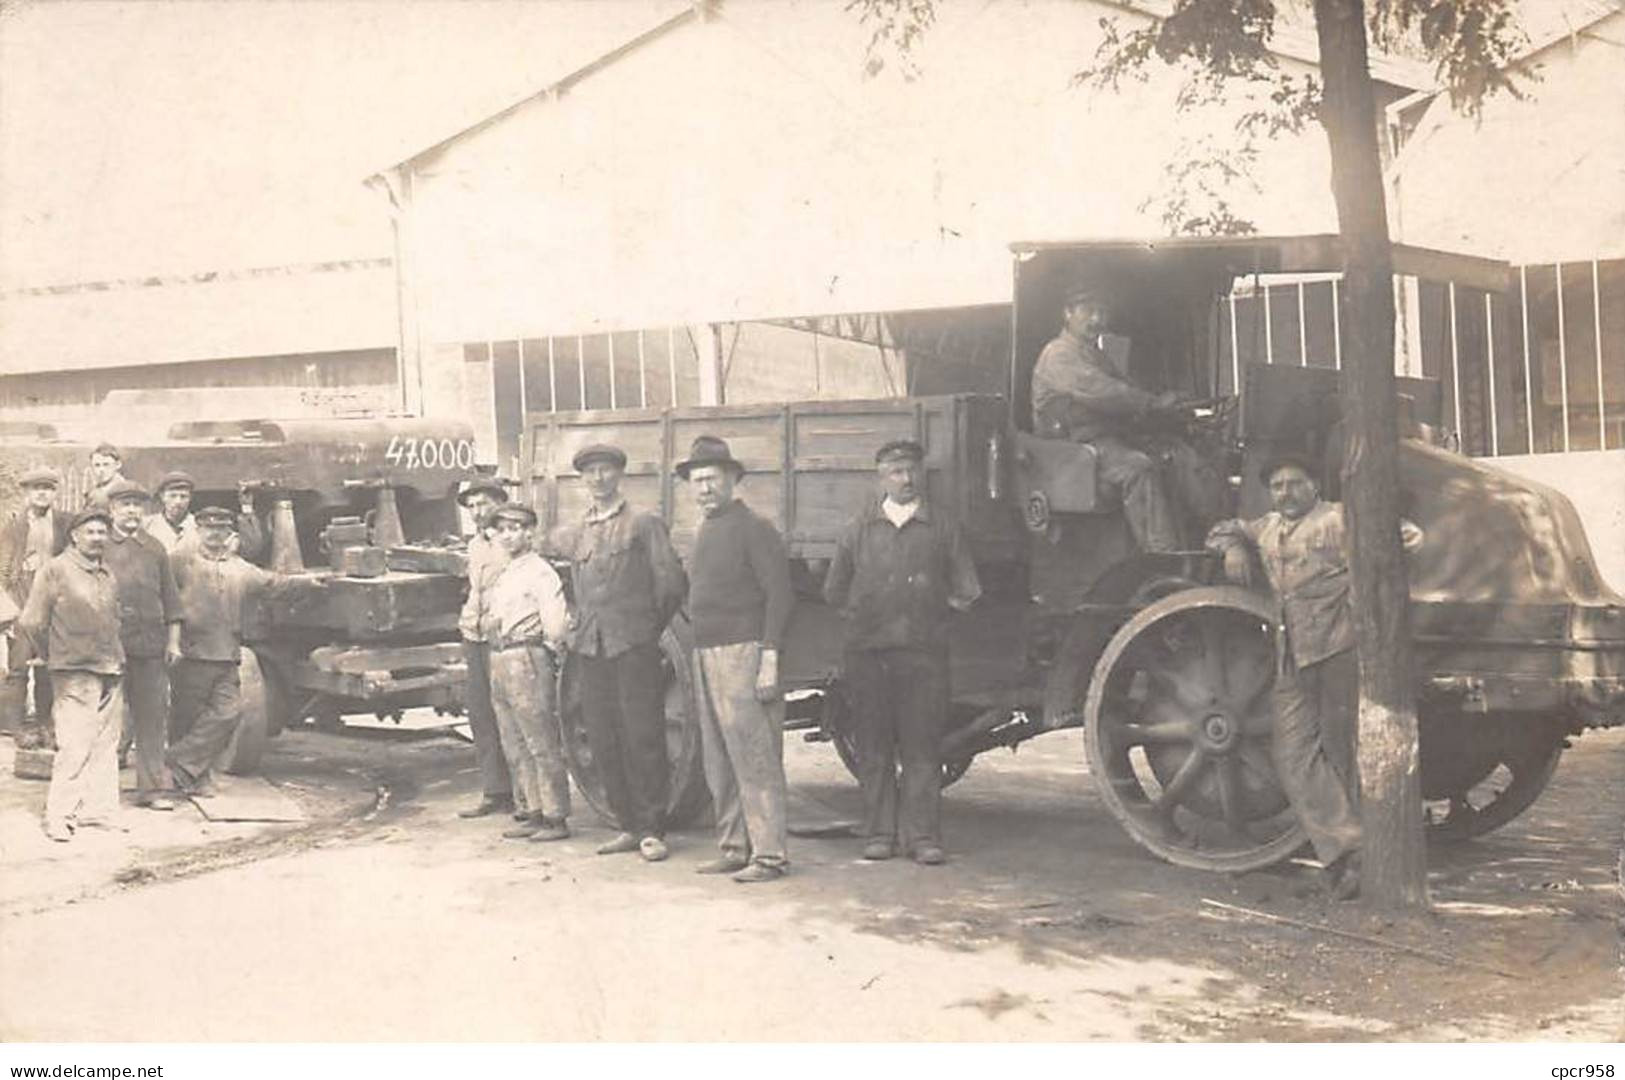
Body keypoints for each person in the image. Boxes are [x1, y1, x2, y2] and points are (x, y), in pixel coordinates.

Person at [1205, 454, 1424, 900]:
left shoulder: (1339, 520)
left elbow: (1407, 535)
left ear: (1314, 486)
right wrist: (1232, 547)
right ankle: (1344, 844)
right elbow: (1225, 528)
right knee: (1293, 753)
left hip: (1340, 650)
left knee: (1343, 751)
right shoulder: (1266, 528)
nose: (1286, 492)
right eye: (1278, 485)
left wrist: (1384, 563)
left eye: (1295, 483)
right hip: (1292, 656)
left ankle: (1355, 863)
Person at [822, 439, 980, 865]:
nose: (905, 479)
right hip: (869, 655)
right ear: (881, 478)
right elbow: (835, 590)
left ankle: (923, 838)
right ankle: (879, 834)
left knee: (922, 748)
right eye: (895, 471)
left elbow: (967, 590)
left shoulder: (942, 526)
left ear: (920, 474)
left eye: (911, 470)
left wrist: (929, 619)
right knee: (873, 747)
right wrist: (867, 621)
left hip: (923, 656)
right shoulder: (859, 528)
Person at [677, 436, 794, 884]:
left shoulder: (753, 528)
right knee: (718, 758)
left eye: (712, 479)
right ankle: (732, 846)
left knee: (754, 756)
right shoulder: (705, 531)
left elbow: (780, 596)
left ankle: (769, 855)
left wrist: (769, 657)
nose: (704, 488)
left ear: (731, 481)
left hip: (743, 653)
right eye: (697, 481)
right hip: (705, 655)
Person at [562, 443, 687, 861]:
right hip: (591, 648)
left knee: (642, 734)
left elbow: (669, 582)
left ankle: (652, 828)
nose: (598, 479)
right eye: (590, 473)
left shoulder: (643, 523)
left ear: (620, 475)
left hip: (633, 645)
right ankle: (626, 824)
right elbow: (576, 588)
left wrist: (646, 629)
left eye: (605, 470)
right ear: (582, 480)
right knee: (602, 737)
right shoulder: (581, 530)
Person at [1029, 285, 1215, 552]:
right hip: (1073, 449)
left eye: (1102, 312)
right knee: (1138, 469)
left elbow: (1125, 386)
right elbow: (1103, 391)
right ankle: (1163, 555)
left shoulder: (1095, 355)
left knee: (1178, 455)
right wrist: (1152, 403)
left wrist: (1171, 402)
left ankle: (1212, 538)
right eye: (1088, 310)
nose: (1097, 319)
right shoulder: (1058, 353)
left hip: (1104, 442)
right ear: (1067, 313)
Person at [17, 506, 126, 842]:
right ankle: (59, 815)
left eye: (101, 532)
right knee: (75, 744)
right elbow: (32, 622)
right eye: (90, 532)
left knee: (106, 744)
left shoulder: (106, 572)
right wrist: (55, 655)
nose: (97, 538)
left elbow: (114, 619)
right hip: (74, 670)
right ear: (75, 536)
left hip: (110, 667)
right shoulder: (56, 569)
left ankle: (99, 811)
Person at [165, 506, 283, 796]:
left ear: (229, 534)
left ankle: (175, 760)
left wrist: (312, 582)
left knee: (229, 713)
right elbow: (165, 599)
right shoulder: (180, 561)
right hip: (192, 653)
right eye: (209, 528)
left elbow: (273, 582)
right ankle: (194, 778)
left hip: (227, 653)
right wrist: (170, 640)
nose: (215, 534)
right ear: (199, 531)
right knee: (187, 717)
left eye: (221, 529)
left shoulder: (239, 567)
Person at [481, 503, 573, 842]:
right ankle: (533, 810)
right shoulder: (506, 572)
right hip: (501, 656)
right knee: (514, 741)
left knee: (540, 740)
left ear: (530, 532)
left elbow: (555, 621)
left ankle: (556, 816)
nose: (508, 535)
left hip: (526, 655)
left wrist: (550, 651)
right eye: (502, 529)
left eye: (515, 528)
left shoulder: (540, 571)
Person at [103, 479, 183, 811]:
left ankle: (151, 789)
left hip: (151, 647)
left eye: (138, 505)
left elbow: (171, 599)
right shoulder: (100, 545)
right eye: (125, 505)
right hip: (110, 647)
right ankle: (99, 793)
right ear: (112, 510)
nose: (133, 511)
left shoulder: (155, 548)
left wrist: (174, 641)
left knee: (152, 719)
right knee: (106, 721)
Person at [453, 477, 516, 820]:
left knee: (509, 712)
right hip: (474, 634)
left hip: (502, 635)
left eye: (484, 504)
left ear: (499, 503)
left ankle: (523, 794)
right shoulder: (475, 545)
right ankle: (495, 791)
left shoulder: (508, 541)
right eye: (472, 506)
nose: (478, 512)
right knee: (480, 712)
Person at [0, 466, 69, 748]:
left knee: (48, 668)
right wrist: (10, 613)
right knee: (18, 669)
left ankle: (46, 725)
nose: (42, 493)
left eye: (48, 488)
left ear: (55, 492)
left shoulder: (65, 524)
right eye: (36, 488)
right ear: (27, 493)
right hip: (21, 603)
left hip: (53, 606)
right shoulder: (13, 528)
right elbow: (3, 572)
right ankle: (17, 729)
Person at [143, 472, 266, 562]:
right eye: (172, 496)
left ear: (190, 498)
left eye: (183, 496)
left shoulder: (204, 526)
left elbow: (251, 549)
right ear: (162, 497)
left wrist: (247, 507)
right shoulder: (146, 526)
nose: (178, 501)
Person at [84, 443, 126, 509]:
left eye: (106, 464)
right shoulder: (94, 492)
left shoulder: (125, 490)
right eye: (97, 465)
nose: (101, 470)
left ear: (118, 464)